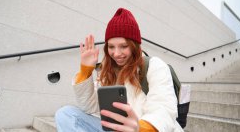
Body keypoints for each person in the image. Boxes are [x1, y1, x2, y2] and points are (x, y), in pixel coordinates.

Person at [55, 8, 183, 132]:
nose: (116, 54)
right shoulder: (108, 72)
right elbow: (89, 107)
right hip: (115, 128)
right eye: (111, 47)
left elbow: (164, 110)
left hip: (144, 129)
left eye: (124, 46)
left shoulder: (155, 66)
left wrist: (139, 128)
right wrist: (85, 72)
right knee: (66, 115)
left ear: (135, 46)